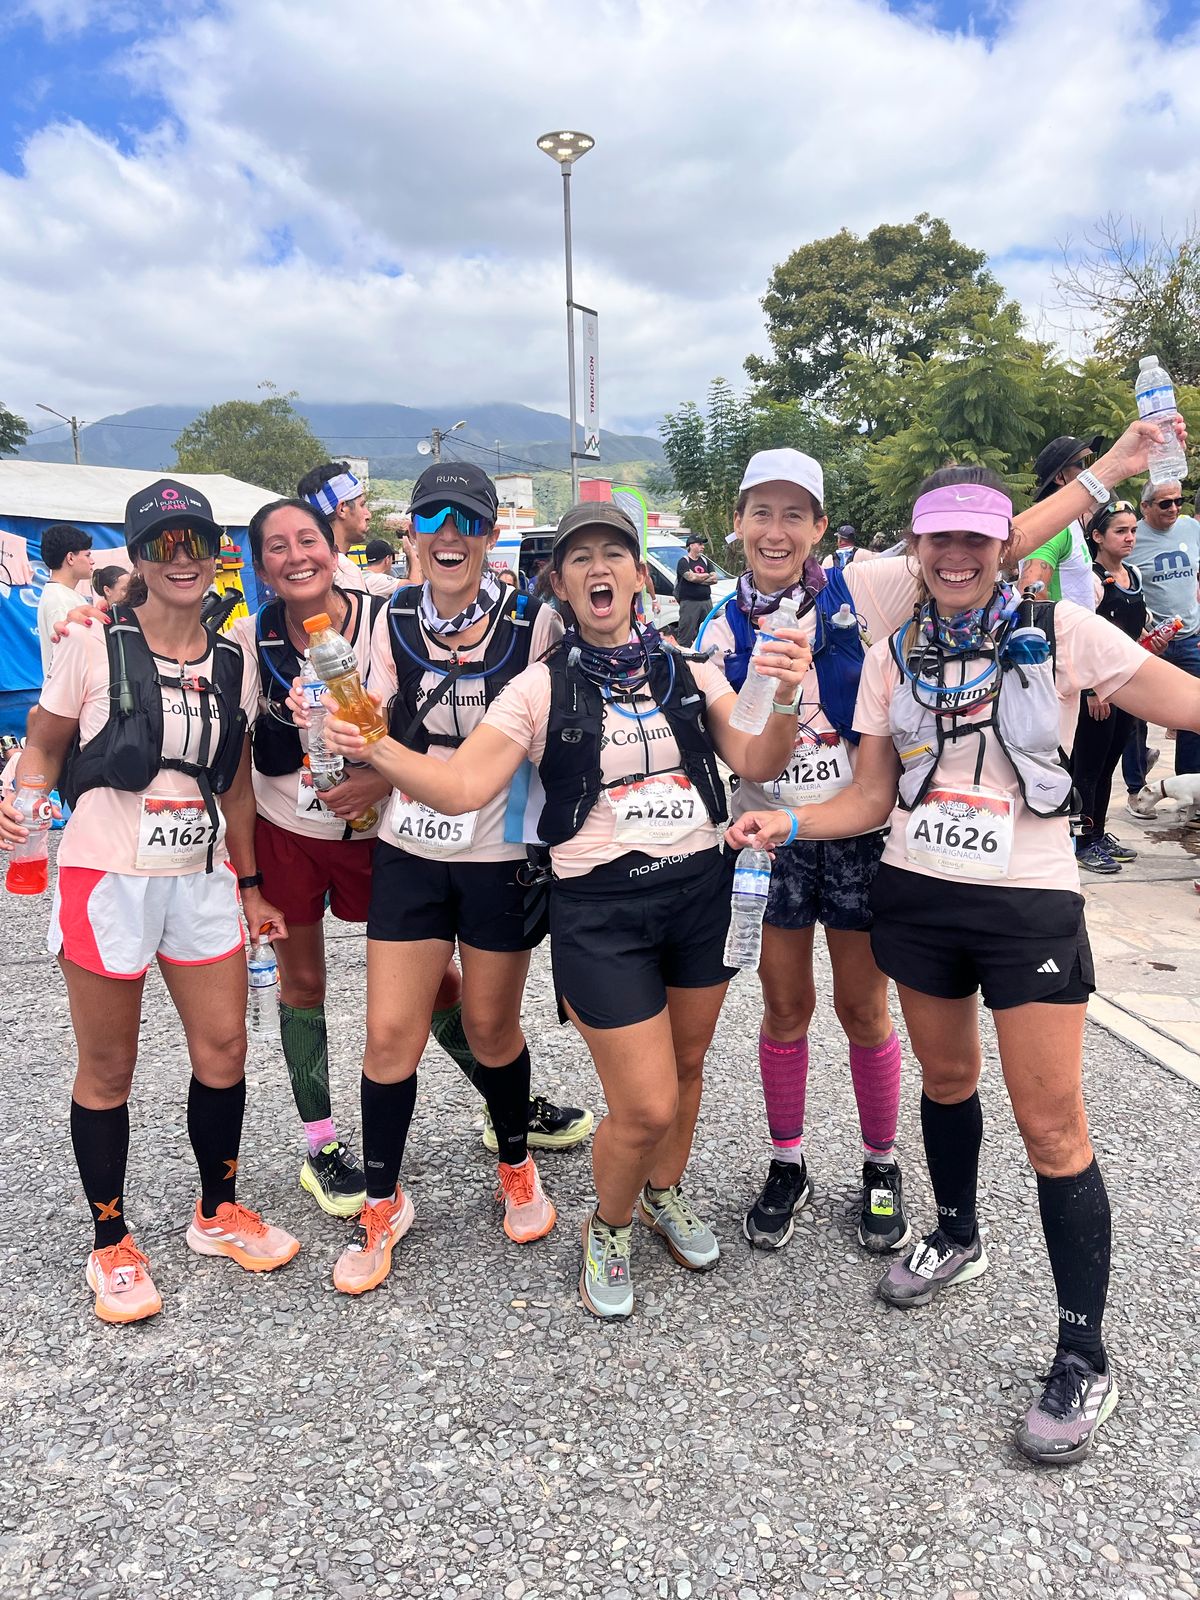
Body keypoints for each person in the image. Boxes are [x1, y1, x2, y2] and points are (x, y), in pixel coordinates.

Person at [728, 454, 1200, 1466]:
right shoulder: (893, 650)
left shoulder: (1063, 630)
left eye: (975, 537)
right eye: (937, 537)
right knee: (946, 1079)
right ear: (916, 544)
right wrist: (790, 821)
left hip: (1028, 905)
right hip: (918, 893)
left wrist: (1121, 460)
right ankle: (956, 1233)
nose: (954, 554)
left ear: (1003, 544)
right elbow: (868, 795)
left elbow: (1184, 702)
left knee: (1052, 1124)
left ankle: (1083, 1352)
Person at [318, 499, 809, 1322]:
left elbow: (757, 757)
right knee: (645, 1102)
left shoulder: (690, 670)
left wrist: (786, 695)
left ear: (640, 576)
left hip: (700, 894)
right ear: (560, 583)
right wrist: (378, 748)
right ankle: (607, 1224)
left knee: (687, 1069)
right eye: (581, 558)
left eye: (614, 553)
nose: (599, 568)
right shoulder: (538, 686)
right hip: (601, 909)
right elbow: (464, 786)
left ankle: (661, 1193)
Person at [235, 495, 588, 1221]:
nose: (297, 557)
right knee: (335, 1000)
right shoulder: (256, 635)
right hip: (318, 833)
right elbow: (236, 728)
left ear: (334, 547)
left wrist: (377, 774)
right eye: (277, 547)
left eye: (309, 541)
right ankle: (337, 1157)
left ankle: (508, 1124)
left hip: (424, 836)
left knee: (467, 1005)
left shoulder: (395, 611)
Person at [0, 479, 299, 1326]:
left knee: (225, 1049)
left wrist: (250, 885)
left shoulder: (234, 660)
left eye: (194, 541)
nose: (181, 558)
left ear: (215, 553)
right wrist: (18, 799)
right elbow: (44, 746)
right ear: (136, 558)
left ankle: (217, 1211)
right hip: (106, 876)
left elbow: (235, 786)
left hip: (200, 875)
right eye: (162, 544)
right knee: (109, 1066)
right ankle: (111, 1241)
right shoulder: (91, 644)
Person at [1072, 502, 1162, 872]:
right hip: (1098, 690)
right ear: (1097, 536)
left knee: (1109, 764)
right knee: (1087, 768)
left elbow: (1132, 630)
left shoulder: (1133, 574)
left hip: (1126, 685)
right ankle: (1081, 840)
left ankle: (1097, 833)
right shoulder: (1089, 580)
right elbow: (1081, 637)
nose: (1129, 538)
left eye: (1133, 530)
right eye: (1120, 531)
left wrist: (1152, 641)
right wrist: (1092, 690)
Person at [1126, 478, 1200, 781]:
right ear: (1145, 506)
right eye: (1165, 503)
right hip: (1150, 642)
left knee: (1194, 713)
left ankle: (1189, 787)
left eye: (1178, 501)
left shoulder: (1191, 528)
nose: (1174, 508)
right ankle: (1136, 787)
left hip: (1191, 637)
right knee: (1135, 715)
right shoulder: (1132, 537)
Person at [1019, 434, 1104, 611]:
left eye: (1094, 459)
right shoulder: (1051, 526)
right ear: (1059, 477)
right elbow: (1029, 593)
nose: (1093, 468)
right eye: (1086, 463)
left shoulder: (1067, 521)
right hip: (1062, 630)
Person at [295, 462, 394, 597]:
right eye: (362, 505)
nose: (368, 515)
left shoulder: (306, 567)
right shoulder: (342, 570)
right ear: (342, 509)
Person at [37, 525, 94, 673]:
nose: (92, 561)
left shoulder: (62, 594)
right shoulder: (59, 599)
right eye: (87, 555)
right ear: (70, 558)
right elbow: (69, 659)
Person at [674, 535, 718, 646]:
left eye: (703, 544)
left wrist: (698, 578)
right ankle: (683, 655)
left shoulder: (705, 561)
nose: (703, 547)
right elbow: (691, 577)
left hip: (706, 602)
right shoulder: (684, 561)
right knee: (686, 634)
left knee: (707, 632)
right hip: (689, 603)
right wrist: (705, 576)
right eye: (700, 544)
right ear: (691, 545)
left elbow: (714, 579)